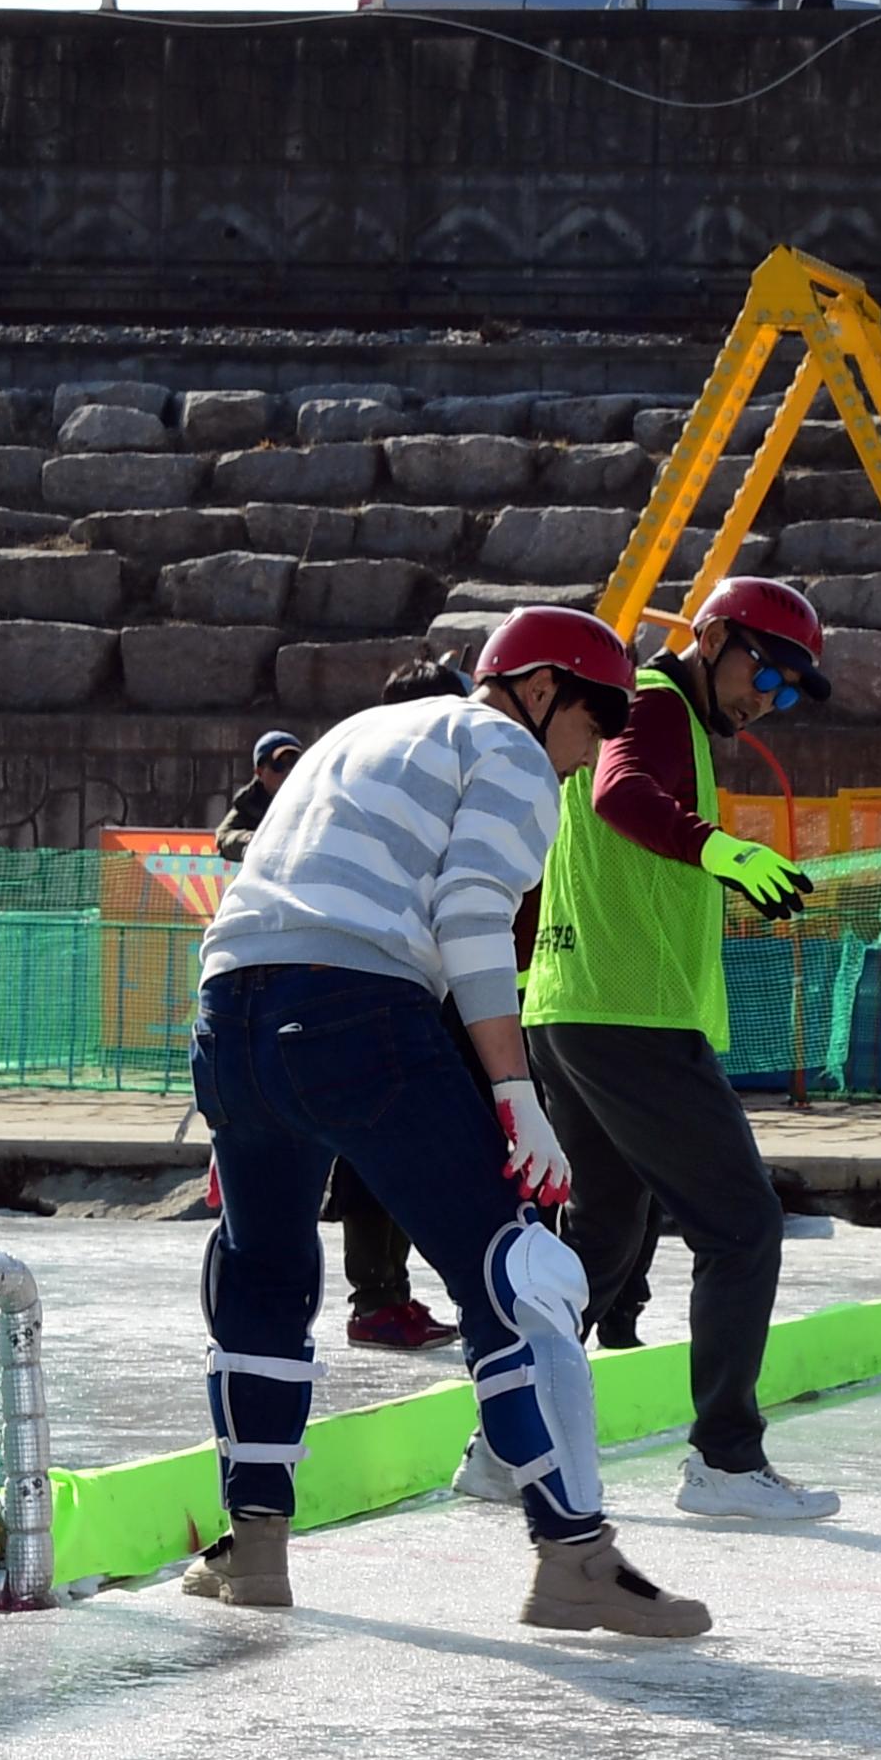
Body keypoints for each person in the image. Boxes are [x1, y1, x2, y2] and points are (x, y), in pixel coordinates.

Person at [184, 606, 712, 1637]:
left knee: (259, 1274)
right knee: (516, 1275)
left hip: (230, 1011)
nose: (594, 749)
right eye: (597, 717)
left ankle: (251, 1550)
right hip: (352, 1010)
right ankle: (576, 1558)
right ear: (544, 686)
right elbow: (470, 914)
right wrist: (516, 1091)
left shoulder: (353, 734)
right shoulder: (508, 749)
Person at [481, 575, 840, 1526]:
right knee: (741, 1226)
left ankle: (500, 1442)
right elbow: (618, 792)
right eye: (767, 668)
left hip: (572, 1008)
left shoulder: (661, 711)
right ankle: (726, 1462)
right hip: (627, 1016)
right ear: (714, 636)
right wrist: (723, 852)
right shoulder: (654, 700)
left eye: (790, 687)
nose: (771, 696)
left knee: (604, 1234)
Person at [215, 712, 460, 1352]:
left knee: (368, 1167)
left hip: (327, 998)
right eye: (275, 764)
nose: (286, 772)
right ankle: (371, 1298)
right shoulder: (273, 817)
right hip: (284, 995)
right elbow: (233, 842)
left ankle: (379, 1297)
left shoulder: (330, 792)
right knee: (299, 1207)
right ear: (259, 772)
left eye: (292, 759)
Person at [213, 731, 304, 864]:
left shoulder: (316, 798)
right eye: (278, 766)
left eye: (294, 764)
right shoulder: (250, 802)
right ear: (259, 772)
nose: (287, 772)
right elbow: (223, 837)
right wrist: (252, 840)